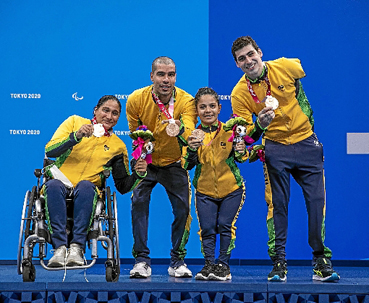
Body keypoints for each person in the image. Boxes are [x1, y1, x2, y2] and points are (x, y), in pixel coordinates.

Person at [230, 36, 340, 282]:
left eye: (250, 54)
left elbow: (300, 68)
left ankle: (321, 261)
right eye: (241, 59)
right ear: (237, 64)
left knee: (316, 203)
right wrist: (259, 125)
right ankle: (278, 262)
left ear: (259, 52)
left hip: (307, 143)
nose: (248, 61)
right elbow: (247, 135)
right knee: (277, 205)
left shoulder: (286, 67)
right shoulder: (239, 93)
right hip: (275, 149)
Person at [45, 95, 147, 268]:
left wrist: (138, 174)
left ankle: (77, 248)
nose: (109, 116)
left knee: (86, 186)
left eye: (115, 113)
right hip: (60, 182)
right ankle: (60, 249)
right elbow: (50, 150)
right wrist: (75, 136)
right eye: (105, 110)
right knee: (53, 185)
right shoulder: (75, 122)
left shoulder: (118, 146)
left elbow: (122, 186)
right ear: (95, 110)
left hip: (88, 191)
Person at [126, 56, 197, 278]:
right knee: (138, 202)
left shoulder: (186, 101)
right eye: (161, 74)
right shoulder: (136, 99)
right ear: (152, 76)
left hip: (173, 163)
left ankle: (177, 260)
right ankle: (141, 260)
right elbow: (135, 135)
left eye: (171, 74)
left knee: (183, 209)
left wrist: (182, 129)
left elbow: (189, 131)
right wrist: (141, 153)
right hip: (146, 161)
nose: (166, 80)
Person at [182, 87, 248, 281]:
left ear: (219, 108)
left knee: (225, 225)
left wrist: (241, 148)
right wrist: (192, 149)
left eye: (212, 106)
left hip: (232, 189)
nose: (208, 110)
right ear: (197, 110)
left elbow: (242, 157)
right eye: (202, 107)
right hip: (204, 191)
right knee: (207, 228)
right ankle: (209, 264)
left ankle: (223, 265)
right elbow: (186, 164)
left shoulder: (229, 131)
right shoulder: (192, 135)